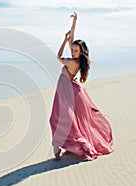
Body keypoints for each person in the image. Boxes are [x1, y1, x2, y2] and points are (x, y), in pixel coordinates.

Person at [50, 12, 114, 161]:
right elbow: (72, 40)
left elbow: (58, 57)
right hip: (67, 90)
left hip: (67, 92)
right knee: (66, 119)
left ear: (80, 53)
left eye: (75, 50)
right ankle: (61, 146)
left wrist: (63, 41)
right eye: (72, 49)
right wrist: (74, 23)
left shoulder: (73, 62)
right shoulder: (76, 59)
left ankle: (61, 147)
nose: (72, 51)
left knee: (59, 118)